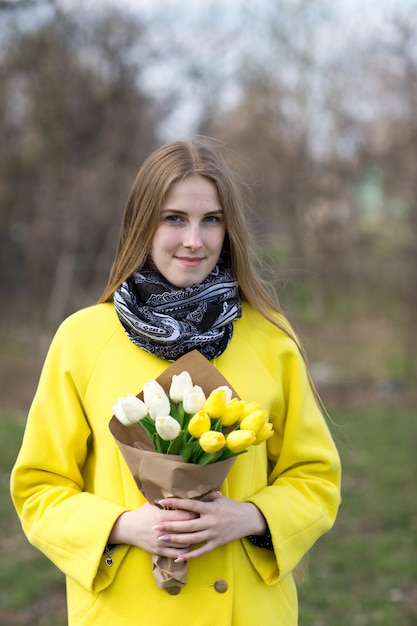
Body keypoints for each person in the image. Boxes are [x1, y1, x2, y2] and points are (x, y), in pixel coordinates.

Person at [10, 137, 341, 626]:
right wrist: (124, 527)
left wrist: (248, 518)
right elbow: (38, 488)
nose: (195, 240)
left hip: (248, 612)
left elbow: (316, 477)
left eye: (211, 220)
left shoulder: (270, 337)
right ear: (142, 223)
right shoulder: (83, 339)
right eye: (174, 219)